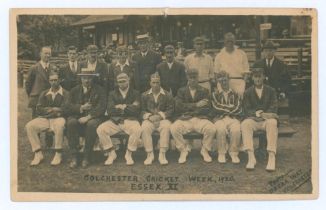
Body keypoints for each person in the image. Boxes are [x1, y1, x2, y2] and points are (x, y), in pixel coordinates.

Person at [170, 68, 215, 164]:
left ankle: (205, 150)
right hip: (185, 119)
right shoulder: (181, 91)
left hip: (200, 119)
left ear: (198, 78)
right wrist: (196, 105)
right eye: (191, 78)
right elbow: (179, 107)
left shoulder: (204, 91)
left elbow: (207, 108)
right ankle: (183, 150)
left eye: (195, 77)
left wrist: (189, 109)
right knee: (174, 128)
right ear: (187, 78)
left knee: (211, 128)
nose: (193, 80)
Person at [96, 73, 141, 166]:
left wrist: (122, 106)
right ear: (117, 83)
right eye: (119, 82)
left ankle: (129, 154)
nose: (121, 84)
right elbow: (110, 110)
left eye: (124, 81)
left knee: (137, 129)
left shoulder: (135, 93)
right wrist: (128, 107)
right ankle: (111, 153)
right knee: (101, 129)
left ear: (128, 81)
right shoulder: (112, 93)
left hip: (130, 120)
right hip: (115, 120)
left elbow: (136, 110)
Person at [25, 71, 69, 166]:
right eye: (51, 80)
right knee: (30, 126)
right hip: (45, 119)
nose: (53, 82)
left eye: (55, 80)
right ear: (49, 81)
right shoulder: (44, 93)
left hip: (59, 118)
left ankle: (58, 153)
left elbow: (66, 109)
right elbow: (39, 108)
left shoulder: (65, 93)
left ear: (59, 80)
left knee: (59, 125)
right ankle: (38, 153)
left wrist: (54, 110)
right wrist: (54, 109)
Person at [66, 69, 106, 168]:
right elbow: (68, 106)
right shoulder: (74, 90)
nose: (87, 81)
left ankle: (86, 156)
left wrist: (89, 116)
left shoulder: (100, 90)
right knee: (71, 123)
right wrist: (81, 107)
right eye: (84, 78)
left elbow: (102, 107)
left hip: (93, 117)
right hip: (77, 116)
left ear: (93, 79)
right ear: (80, 79)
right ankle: (74, 155)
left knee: (91, 124)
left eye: (89, 78)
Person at [241, 68, 278, 171]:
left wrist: (264, 115)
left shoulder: (271, 90)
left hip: (267, 120)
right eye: (255, 76)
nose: (258, 79)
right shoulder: (248, 92)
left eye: (260, 76)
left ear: (264, 77)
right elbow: (247, 109)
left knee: (272, 123)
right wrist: (256, 114)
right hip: (254, 120)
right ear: (252, 78)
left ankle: (271, 157)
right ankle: (251, 156)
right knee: (245, 124)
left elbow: (273, 106)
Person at [140, 73, 174, 165]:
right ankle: (149, 154)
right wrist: (150, 117)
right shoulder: (144, 95)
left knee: (166, 127)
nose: (155, 85)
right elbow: (141, 110)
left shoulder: (167, 94)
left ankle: (162, 154)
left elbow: (171, 110)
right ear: (150, 83)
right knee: (144, 127)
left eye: (157, 83)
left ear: (160, 83)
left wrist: (159, 116)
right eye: (153, 82)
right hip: (150, 119)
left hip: (163, 119)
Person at [210, 71, 242, 164]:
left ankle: (234, 153)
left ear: (229, 80)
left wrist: (224, 109)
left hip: (233, 118)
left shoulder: (235, 94)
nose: (224, 83)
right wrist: (230, 108)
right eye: (221, 81)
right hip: (219, 118)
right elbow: (216, 107)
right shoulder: (215, 94)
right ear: (218, 82)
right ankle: (222, 153)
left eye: (225, 80)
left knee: (236, 129)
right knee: (220, 129)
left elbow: (238, 108)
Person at [25, 46, 58, 118]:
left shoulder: (53, 68)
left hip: (50, 100)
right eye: (46, 53)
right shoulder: (34, 68)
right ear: (40, 54)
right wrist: (33, 95)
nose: (48, 55)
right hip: (37, 100)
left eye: (49, 54)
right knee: (35, 123)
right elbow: (28, 85)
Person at [214, 32, 250, 96]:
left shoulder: (242, 53)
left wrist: (243, 83)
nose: (230, 42)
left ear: (235, 41)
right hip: (224, 83)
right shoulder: (219, 55)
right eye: (228, 41)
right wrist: (219, 84)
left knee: (239, 103)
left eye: (231, 41)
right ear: (224, 41)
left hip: (239, 83)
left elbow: (246, 71)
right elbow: (216, 73)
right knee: (225, 104)